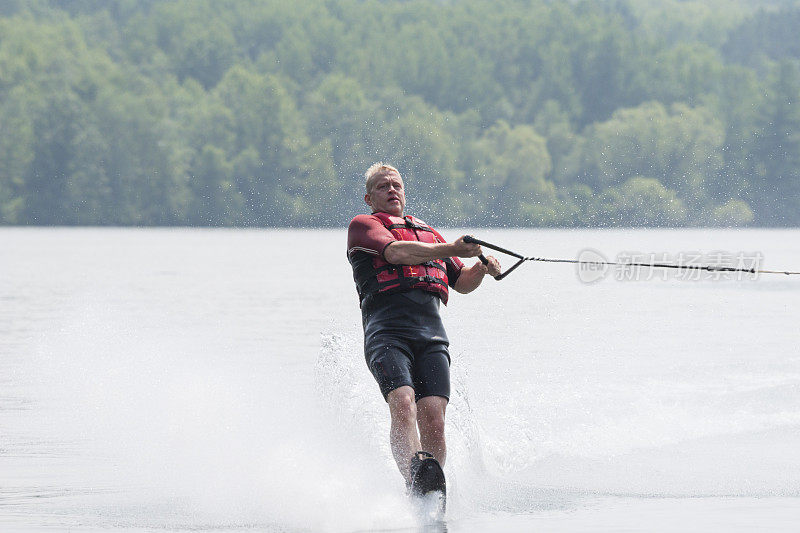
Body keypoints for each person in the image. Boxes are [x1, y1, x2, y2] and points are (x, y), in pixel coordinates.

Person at [346, 162, 501, 490]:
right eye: (382, 186)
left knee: (434, 418)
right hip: (386, 332)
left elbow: (461, 282)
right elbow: (396, 253)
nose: (391, 190)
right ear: (368, 198)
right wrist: (452, 248)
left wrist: (482, 269)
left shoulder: (428, 234)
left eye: (396, 185)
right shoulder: (363, 226)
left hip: (431, 336)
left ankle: (431, 485)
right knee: (403, 403)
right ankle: (413, 480)